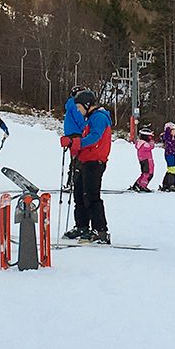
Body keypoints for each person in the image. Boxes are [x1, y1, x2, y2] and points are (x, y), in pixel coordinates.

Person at [64, 89, 112, 244]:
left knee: (91, 195)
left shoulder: (99, 117)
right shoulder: (89, 119)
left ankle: (101, 230)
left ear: (86, 104)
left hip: (95, 162)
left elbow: (95, 137)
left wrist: (75, 143)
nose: (78, 111)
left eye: (79, 107)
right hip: (85, 161)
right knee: (79, 194)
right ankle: (82, 226)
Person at [130, 127, 155, 192]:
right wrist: (152, 142)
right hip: (147, 160)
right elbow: (151, 146)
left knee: (144, 173)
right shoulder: (145, 144)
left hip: (143, 160)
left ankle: (137, 184)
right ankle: (142, 185)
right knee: (148, 174)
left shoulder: (140, 143)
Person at [158, 122, 175, 193]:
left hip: (172, 154)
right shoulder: (168, 137)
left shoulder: (173, 138)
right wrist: (168, 130)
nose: (174, 132)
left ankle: (166, 184)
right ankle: (171, 184)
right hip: (169, 154)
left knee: (170, 169)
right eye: (173, 131)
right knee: (172, 169)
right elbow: (166, 136)